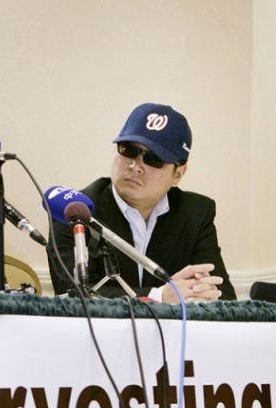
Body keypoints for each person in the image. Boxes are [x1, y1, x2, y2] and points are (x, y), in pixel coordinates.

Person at [47, 102, 236, 303]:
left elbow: (223, 295)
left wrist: (201, 292)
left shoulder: (196, 213)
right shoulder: (74, 211)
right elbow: (72, 294)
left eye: (154, 159)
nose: (136, 166)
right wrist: (158, 297)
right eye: (128, 150)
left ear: (178, 174)